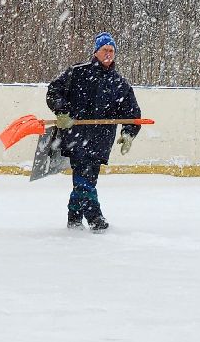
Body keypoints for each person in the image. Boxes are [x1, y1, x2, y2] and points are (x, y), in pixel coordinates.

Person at [45, 32, 142, 231]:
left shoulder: (119, 83)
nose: (109, 54)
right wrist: (62, 111)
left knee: (86, 179)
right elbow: (54, 91)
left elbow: (132, 112)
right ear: (96, 51)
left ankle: (74, 217)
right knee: (85, 176)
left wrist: (128, 133)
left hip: (101, 140)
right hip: (76, 137)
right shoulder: (77, 72)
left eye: (112, 51)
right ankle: (96, 219)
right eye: (105, 50)